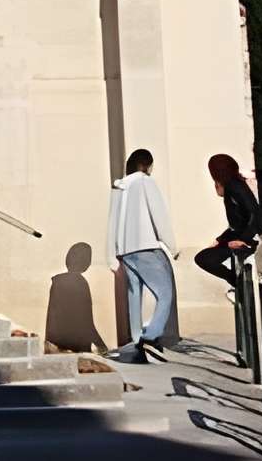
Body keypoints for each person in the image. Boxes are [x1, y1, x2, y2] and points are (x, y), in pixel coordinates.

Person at [103, 146, 175, 362]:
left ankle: (136, 342)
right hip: (146, 246)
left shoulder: (120, 186)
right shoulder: (145, 182)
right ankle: (150, 337)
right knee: (165, 293)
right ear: (147, 165)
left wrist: (112, 255)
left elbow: (112, 221)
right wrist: (172, 245)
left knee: (134, 296)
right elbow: (158, 214)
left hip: (125, 251)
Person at [193, 153, 262, 292]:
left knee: (204, 259)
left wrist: (243, 240)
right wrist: (220, 240)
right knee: (204, 257)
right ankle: (238, 282)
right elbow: (236, 223)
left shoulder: (234, 187)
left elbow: (256, 216)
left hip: (246, 240)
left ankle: (238, 283)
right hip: (238, 236)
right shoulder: (232, 186)